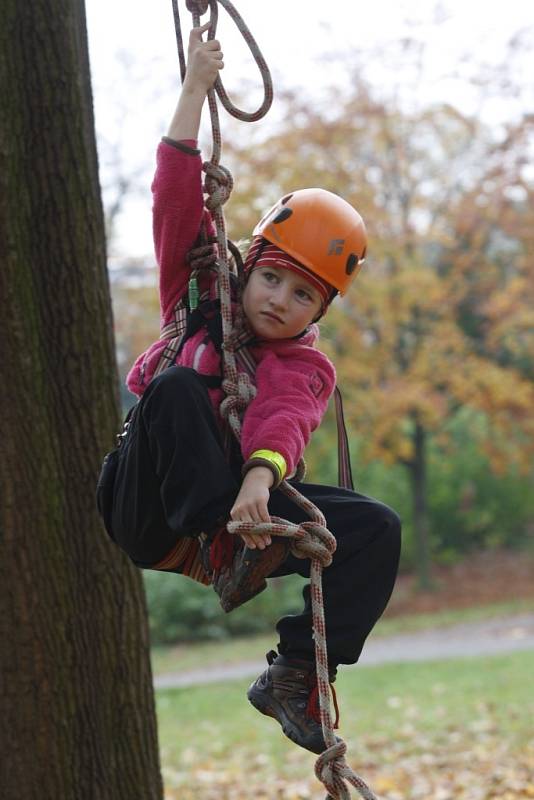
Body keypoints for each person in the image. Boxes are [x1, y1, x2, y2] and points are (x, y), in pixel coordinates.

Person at [97, 24, 401, 755]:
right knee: (172, 390)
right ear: (251, 263)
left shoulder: (303, 363)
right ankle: (224, 539)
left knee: (376, 528)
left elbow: (284, 416)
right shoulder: (199, 298)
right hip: (150, 509)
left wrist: (260, 478)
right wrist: (194, 90)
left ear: (319, 312)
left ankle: (295, 673)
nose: (279, 301)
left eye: (303, 295)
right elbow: (172, 203)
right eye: (271, 277)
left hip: (242, 513)